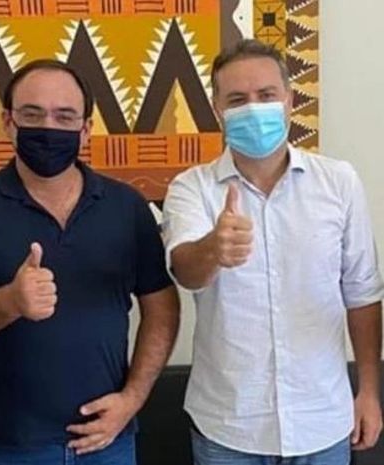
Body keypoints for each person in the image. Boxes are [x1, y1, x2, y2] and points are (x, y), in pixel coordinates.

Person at [0, 58, 180, 464]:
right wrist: (8, 301)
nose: (48, 127)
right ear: (7, 122)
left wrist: (132, 399)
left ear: (86, 129)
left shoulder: (126, 206)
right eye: (32, 114)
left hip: (108, 442)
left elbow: (162, 307)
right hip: (8, 447)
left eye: (64, 116)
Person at [163, 39, 383, 464]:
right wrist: (213, 249)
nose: (254, 108)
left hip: (323, 420)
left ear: (289, 100)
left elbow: (362, 293)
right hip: (228, 427)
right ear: (217, 110)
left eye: (266, 95)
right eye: (237, 100)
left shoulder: (339, 182)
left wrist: (370, 392)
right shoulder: (191, 187)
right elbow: (185, 270)